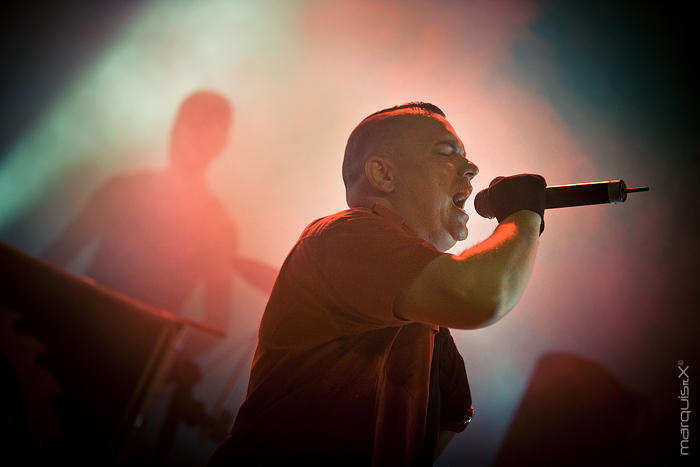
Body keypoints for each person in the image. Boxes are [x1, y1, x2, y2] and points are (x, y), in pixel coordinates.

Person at [207, 102, 546, 466]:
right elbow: (483, 295)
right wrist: (524, 215)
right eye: (447, 153)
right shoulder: (346, 236)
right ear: (383, 175)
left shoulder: (424, 315)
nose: (472, 168)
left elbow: (453, 417)